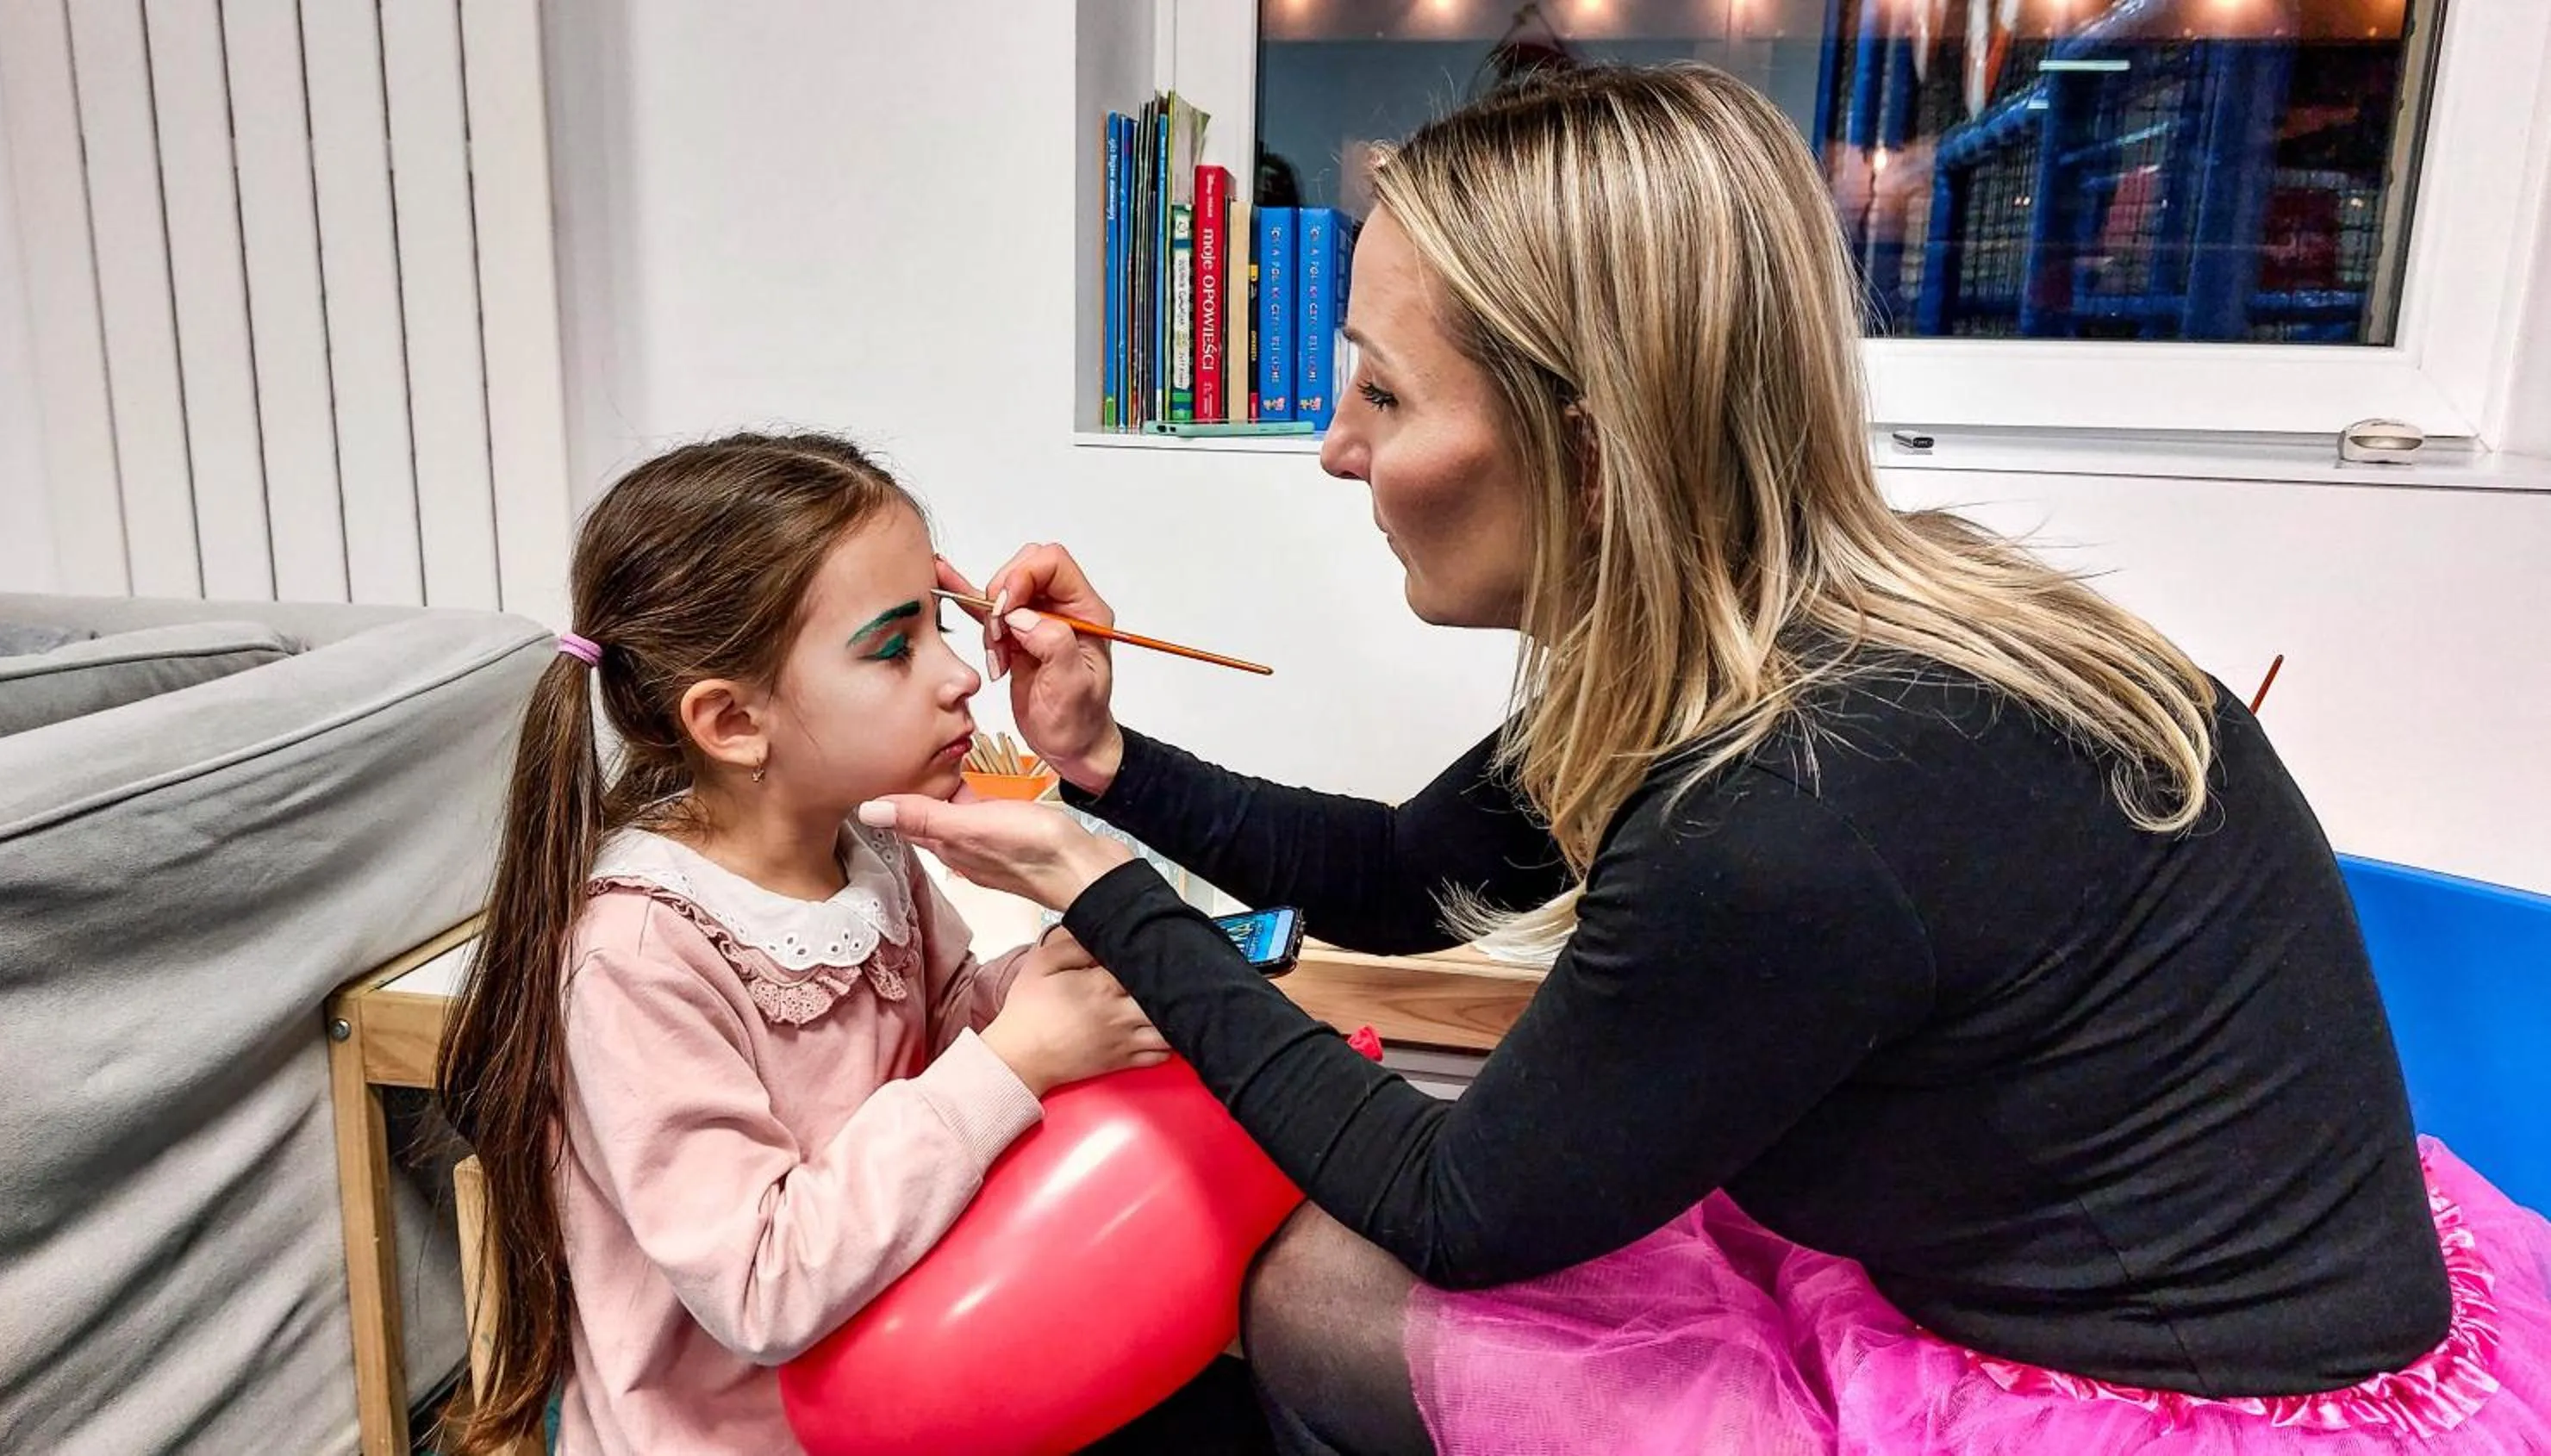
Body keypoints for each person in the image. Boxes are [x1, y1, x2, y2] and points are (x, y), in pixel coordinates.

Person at [863, 65, 2551, 1455]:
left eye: (1380, 390)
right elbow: (1408, 868)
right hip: (2241, 1272)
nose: (1336, 448)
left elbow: (1454, 1203)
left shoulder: (1791, 805)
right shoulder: (1802, 629)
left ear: (1585, 446)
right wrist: (1096, 754)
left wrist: (1101, 889)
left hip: (2178, 1396)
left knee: (1319, 1298)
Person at [434, 432, 1207, 1454]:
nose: (956, 678)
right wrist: (1020, 1054)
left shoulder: (866, 853)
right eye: (895, 647)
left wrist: (1064, 971)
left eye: (942, 626)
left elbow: (944, 1030)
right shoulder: (637, 953)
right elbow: (760, 1285)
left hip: (907, 1380)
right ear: (731, 720)